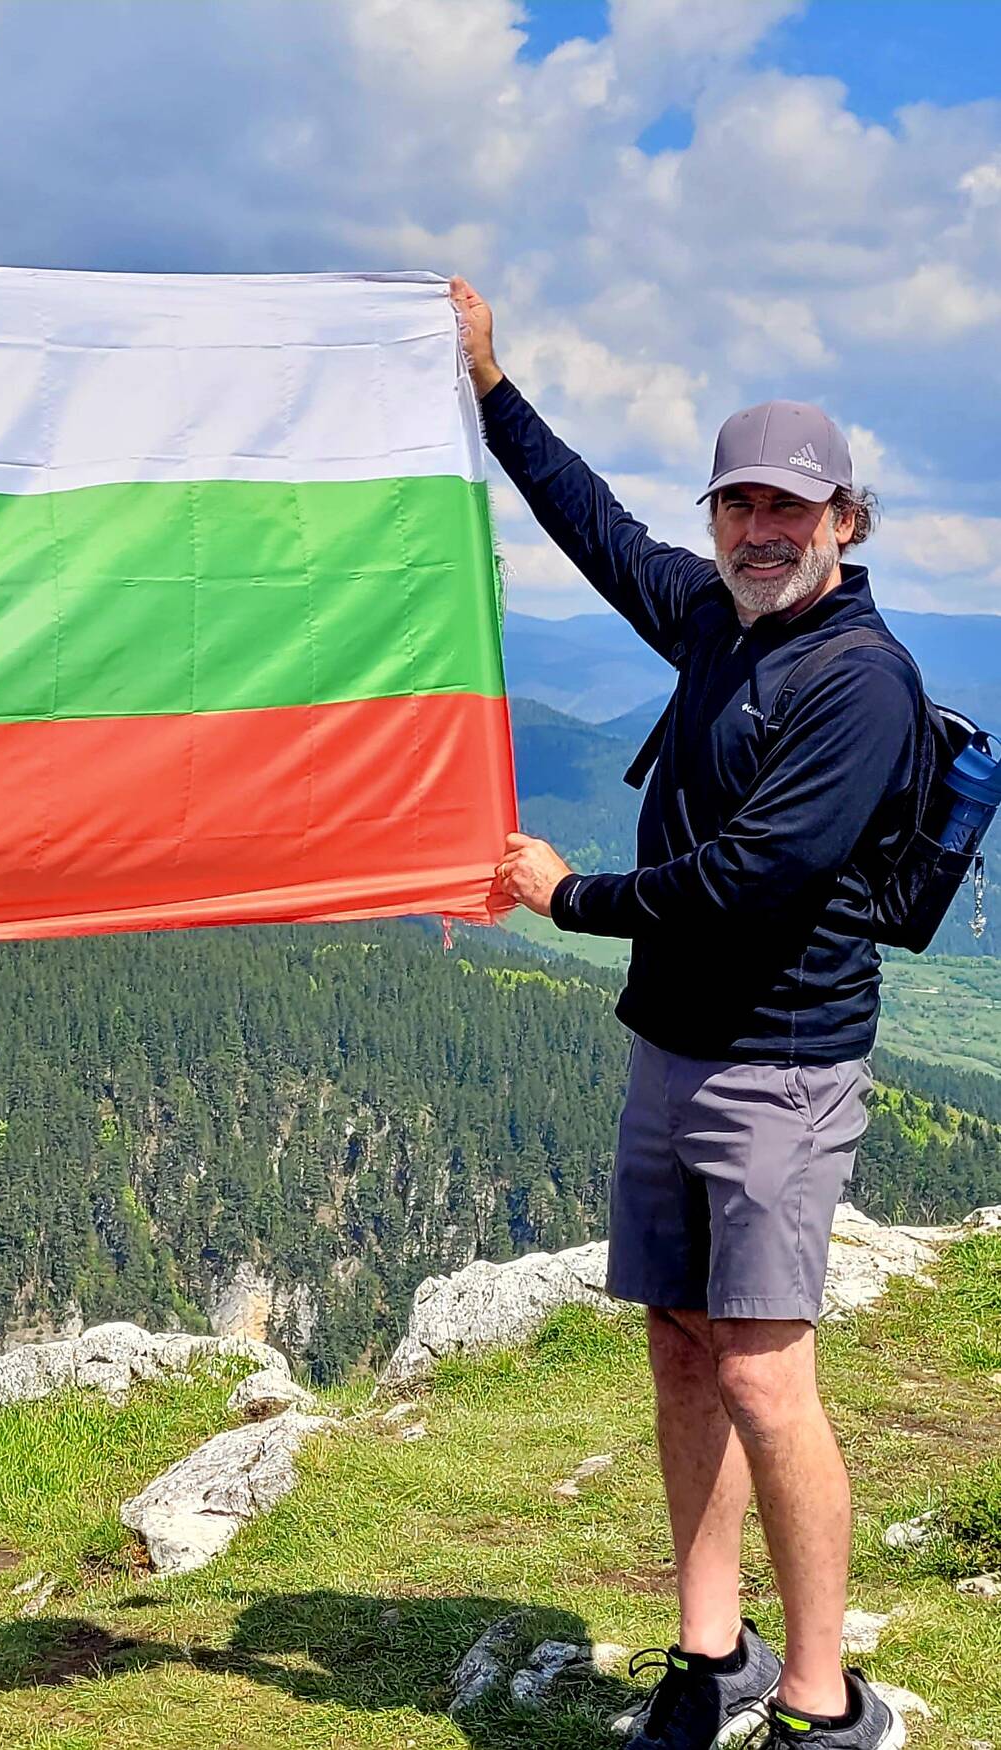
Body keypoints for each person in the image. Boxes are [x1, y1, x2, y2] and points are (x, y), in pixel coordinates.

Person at [453, 279, 912, 1750]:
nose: (758, 532)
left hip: (777, 1069)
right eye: (737, 507)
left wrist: (567, 895)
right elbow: (591, 530)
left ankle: (825, 1703)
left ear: (844, 518)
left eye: (789, 508)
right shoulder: (717, 618)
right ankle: (710, 1652)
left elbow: (755, 875)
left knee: (767, 1372)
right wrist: (489, 384)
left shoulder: (861, 680)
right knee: (676, 1340)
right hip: (673, 1052)